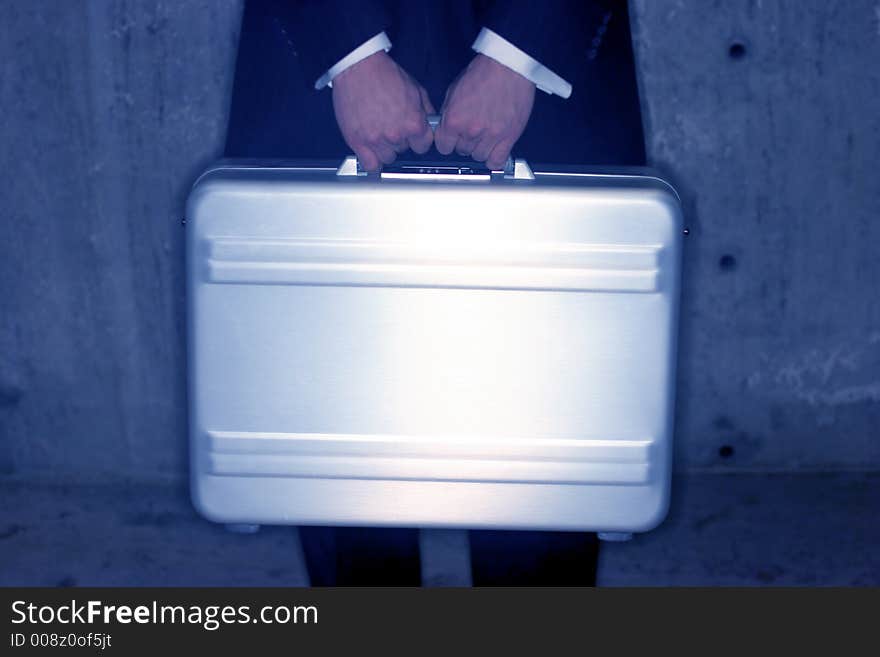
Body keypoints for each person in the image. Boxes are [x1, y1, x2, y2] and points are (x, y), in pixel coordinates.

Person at [224, 0, 646, 586]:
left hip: (546, 46)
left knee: (547, 433)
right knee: (337, 435)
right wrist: (351, 53)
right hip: (322, 48)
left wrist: (517, 53)